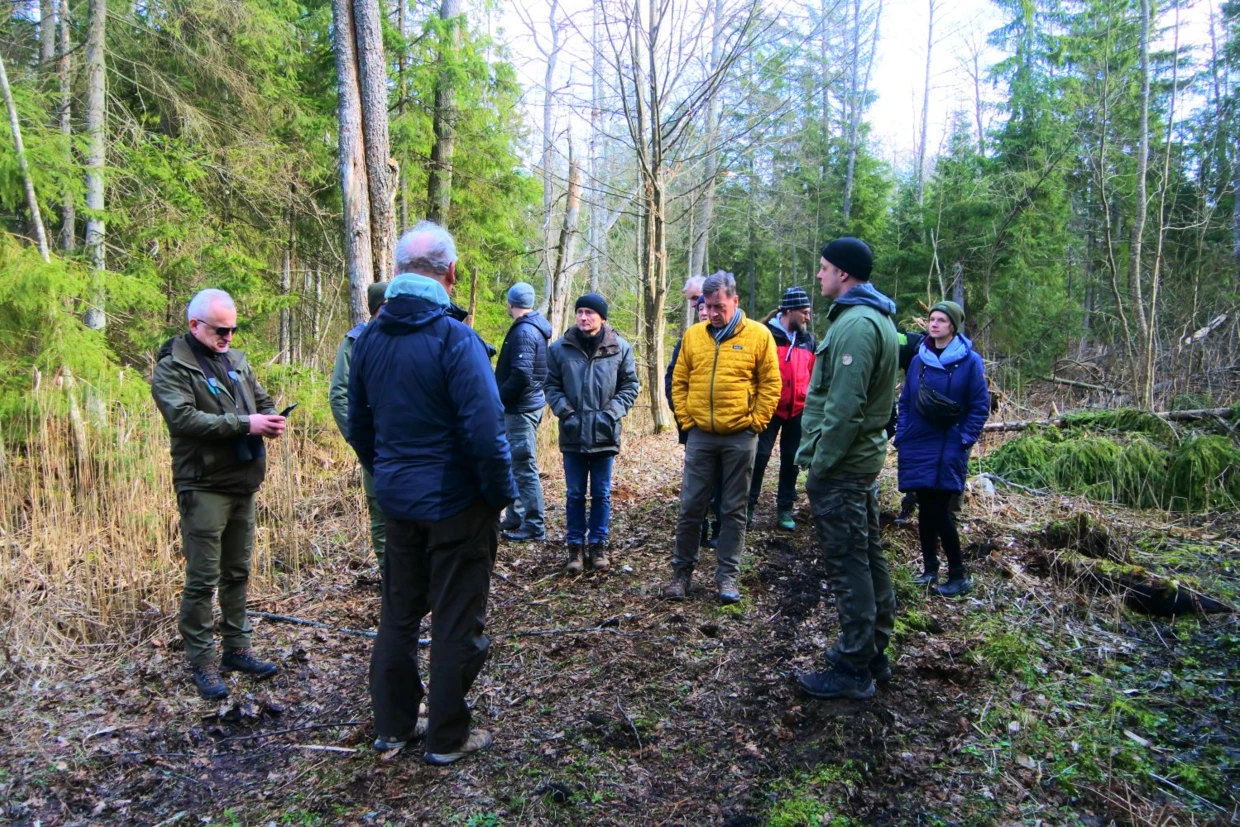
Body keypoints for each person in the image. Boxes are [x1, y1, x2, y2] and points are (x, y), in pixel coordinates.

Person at [347, 220, 516, 765]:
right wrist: (497, 496)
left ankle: (393, 727)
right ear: (450, 274)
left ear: (397, 273)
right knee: (455, 621)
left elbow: (360, 425)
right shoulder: (454, 339)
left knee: (397, 615)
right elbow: (486, 432)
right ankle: (445, 738)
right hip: (456, 506)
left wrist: (388, 474)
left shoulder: (367, 338)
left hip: (398, 501)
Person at [151, 288, 286, 700]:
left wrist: (272, 416)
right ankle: (203, 661)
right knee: (202, 578)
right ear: (195, 325)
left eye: (233, 330)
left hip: (242, 480)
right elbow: (184, 418)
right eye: (220, 330)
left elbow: (260, 400)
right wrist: (246, 424)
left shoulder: (237, 361)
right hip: (203, 484)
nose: (228, 337)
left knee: (237, 571)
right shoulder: (173, 367)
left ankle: (237, 648)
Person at [794, 237, 899, 701]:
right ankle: (873, 650)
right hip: (856, 463)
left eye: (823, 268)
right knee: (866, 552)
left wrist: (820, 463)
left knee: (848, 561)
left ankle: (855, 666)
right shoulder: (868, 318)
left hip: (843, 466)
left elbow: (845, 407)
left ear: (844, 274)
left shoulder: (857, 324)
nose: (819, 276)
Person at [664, 271, 781, 604]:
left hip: (740, 436)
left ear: (735, 301)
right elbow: (679, 380)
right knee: (690, 507)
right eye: (707, 306)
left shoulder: (759, 336)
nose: (713, 313)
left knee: (733, 509)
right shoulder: (693, 336)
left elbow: (771, 384)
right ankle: (680, 575)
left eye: (719, 306)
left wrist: (755, 422)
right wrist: (687, 421)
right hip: (701, 435)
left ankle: (727, 578)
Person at [895, 300, 990, 597]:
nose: (934, 324)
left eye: (941, 320)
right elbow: (907, 401)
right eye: (931, 319)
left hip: (949, 444)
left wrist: (964, 438)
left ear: (953, 326)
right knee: (925, 508)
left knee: (941, 511)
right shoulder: (919, 359)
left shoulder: (970, 361)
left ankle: (959, 575)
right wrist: (902, 435)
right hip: (918, 443)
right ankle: (929, 569)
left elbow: (979, 405)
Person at [545, 293, 641, 573]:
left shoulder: (619, 348)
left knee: (601, 493)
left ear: (602, 317)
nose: (584, 317)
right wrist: (567, 413)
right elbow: (551, 385)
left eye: (589, 312)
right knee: (574, 493)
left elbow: (630, 386)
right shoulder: (560, 349)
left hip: (604, 433)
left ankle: (598, 544)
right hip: (573, 432)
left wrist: (611, 413)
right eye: (580, 312)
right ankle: (575, 547)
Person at [329, 281, 390, 566]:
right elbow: (339, 396)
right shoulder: (355, 341)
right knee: (380, 510)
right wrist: (358, 438)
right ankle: (388, 574)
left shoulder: (403, 336)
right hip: (374, 443)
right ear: (380, 308)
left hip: (406, 441)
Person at [748, 286, 816, 531]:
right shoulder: (765, 335)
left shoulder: (808, 340)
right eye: (804, 312)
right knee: (759, 457)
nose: (808, 317)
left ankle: (785, 509)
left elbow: (813, 372)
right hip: (769, 408)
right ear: (789, 310)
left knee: (791, 460)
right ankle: (747, 507)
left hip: (798, 410)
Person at [494, 282, 553, 543]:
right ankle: (516, 517)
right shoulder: (531, 327)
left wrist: (497, 398)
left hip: (520, 409)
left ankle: (534, 526)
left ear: (510, 303)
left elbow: (521, 375)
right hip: (523, 406)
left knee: (523, 466)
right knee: (514, 464)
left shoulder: (525, 332)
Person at [666, 294, 721, 548]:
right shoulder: (688, 340)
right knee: (697, 486)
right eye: (700, 308)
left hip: (728, 430)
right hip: (695, 428)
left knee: (722, 483)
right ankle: (698, 531)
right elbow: (673, 381)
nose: (704, 312)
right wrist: (684, 419)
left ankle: (721, 530)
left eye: (709, 308)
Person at [890, 327, 925, 525]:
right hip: (911, 416)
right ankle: (909, 504)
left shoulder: (922, 355)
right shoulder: (902, 343)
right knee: (911, 460)